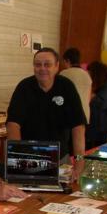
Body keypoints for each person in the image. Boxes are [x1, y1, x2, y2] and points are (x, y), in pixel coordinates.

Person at [6, 47, 87, 179]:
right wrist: (18, 158)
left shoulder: (67, 87)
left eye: (47, 64)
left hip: (61, 159)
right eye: (38, 65)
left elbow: (78, 127)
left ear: (56, 66)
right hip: (30, 158)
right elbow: (13, 125)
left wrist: (79, 163)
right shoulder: (24, 87)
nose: (42, 68)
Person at [60, 47, 92, 123]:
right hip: (85, 114)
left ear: (67, 60)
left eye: (64, 62)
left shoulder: (64, 73)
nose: (64, 65)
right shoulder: (86, 75)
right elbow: (89, 97)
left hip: (70, 115)